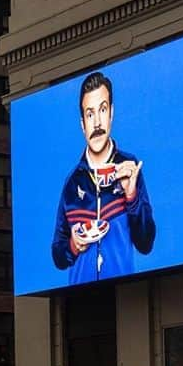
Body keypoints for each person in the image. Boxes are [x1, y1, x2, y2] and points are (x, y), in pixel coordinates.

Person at [51, 70, 156, 285]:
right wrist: (73, 245)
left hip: (126, 296)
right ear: (82, 124)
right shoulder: (73, 182)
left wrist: (132, 196)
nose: (97, 123)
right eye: (90, 114)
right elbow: (58, 254)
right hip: (81, 300)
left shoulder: (129, 167)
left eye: (102, 110)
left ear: (111, 114)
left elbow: (146, 243)